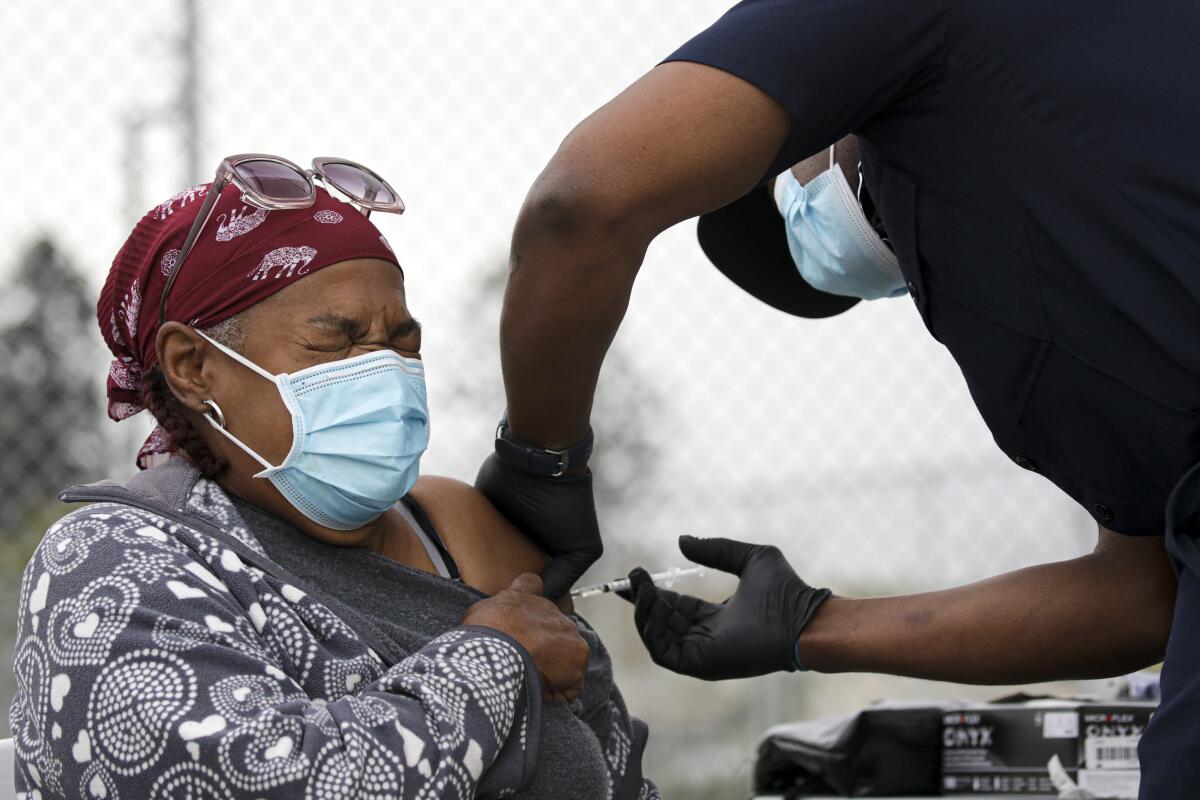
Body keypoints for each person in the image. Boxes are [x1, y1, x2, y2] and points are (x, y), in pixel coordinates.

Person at [473, 2, 1200, 795]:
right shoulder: (1085, 260)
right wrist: (812, 626)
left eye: (781, 171)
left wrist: (539, 464)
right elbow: (1146, 592)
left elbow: (580, 202)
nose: (797, 205)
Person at [9, 155, 659, 799]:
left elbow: (612, 767)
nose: (383, 373)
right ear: (193, 367)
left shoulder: (454, 529)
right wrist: (491, 659)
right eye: (335, 341)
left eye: (403, 343)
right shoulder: (112, 562)